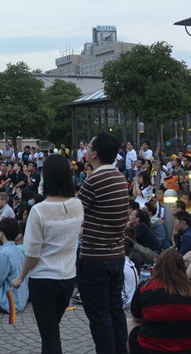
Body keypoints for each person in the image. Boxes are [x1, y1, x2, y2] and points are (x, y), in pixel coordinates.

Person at [12, 154, 83, 354]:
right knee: (50, 331)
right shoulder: (77, 205)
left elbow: (32, 252)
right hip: (68, 278)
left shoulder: (39, 211)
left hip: (44, 280)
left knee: (50, 336)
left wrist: (20, 276)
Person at [76, 132, 129, 353]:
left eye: (88, 146)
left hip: (95, 258)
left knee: (99, 315)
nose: (85, 150)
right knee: (115, 310)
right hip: (116, 255)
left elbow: (76, 213)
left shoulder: (94, 180)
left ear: (94, 153)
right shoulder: (118, 176)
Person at [129, 249, 191, 354]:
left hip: (151, 349)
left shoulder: (146, 288)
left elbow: (135, 316)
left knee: (128, 322)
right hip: (189, 349)